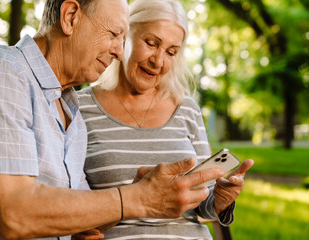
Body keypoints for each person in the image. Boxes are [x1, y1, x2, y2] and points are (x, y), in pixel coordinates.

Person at [0, 0, 227, 239]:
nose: (119, 51)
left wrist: (144, 192)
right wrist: (140, 199)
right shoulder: (0, 70)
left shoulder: (70, 114)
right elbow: (14, 213)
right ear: (70, 17)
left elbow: (84, 216)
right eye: (114, 33)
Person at [78, 0, 254, 239]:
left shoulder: (187, 108)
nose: (158, 61)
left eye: (171, 52)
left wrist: (220, 201)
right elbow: (68, 204)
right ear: (124, 35)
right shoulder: (80, 107)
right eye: (151, 43)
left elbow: (204, 206)